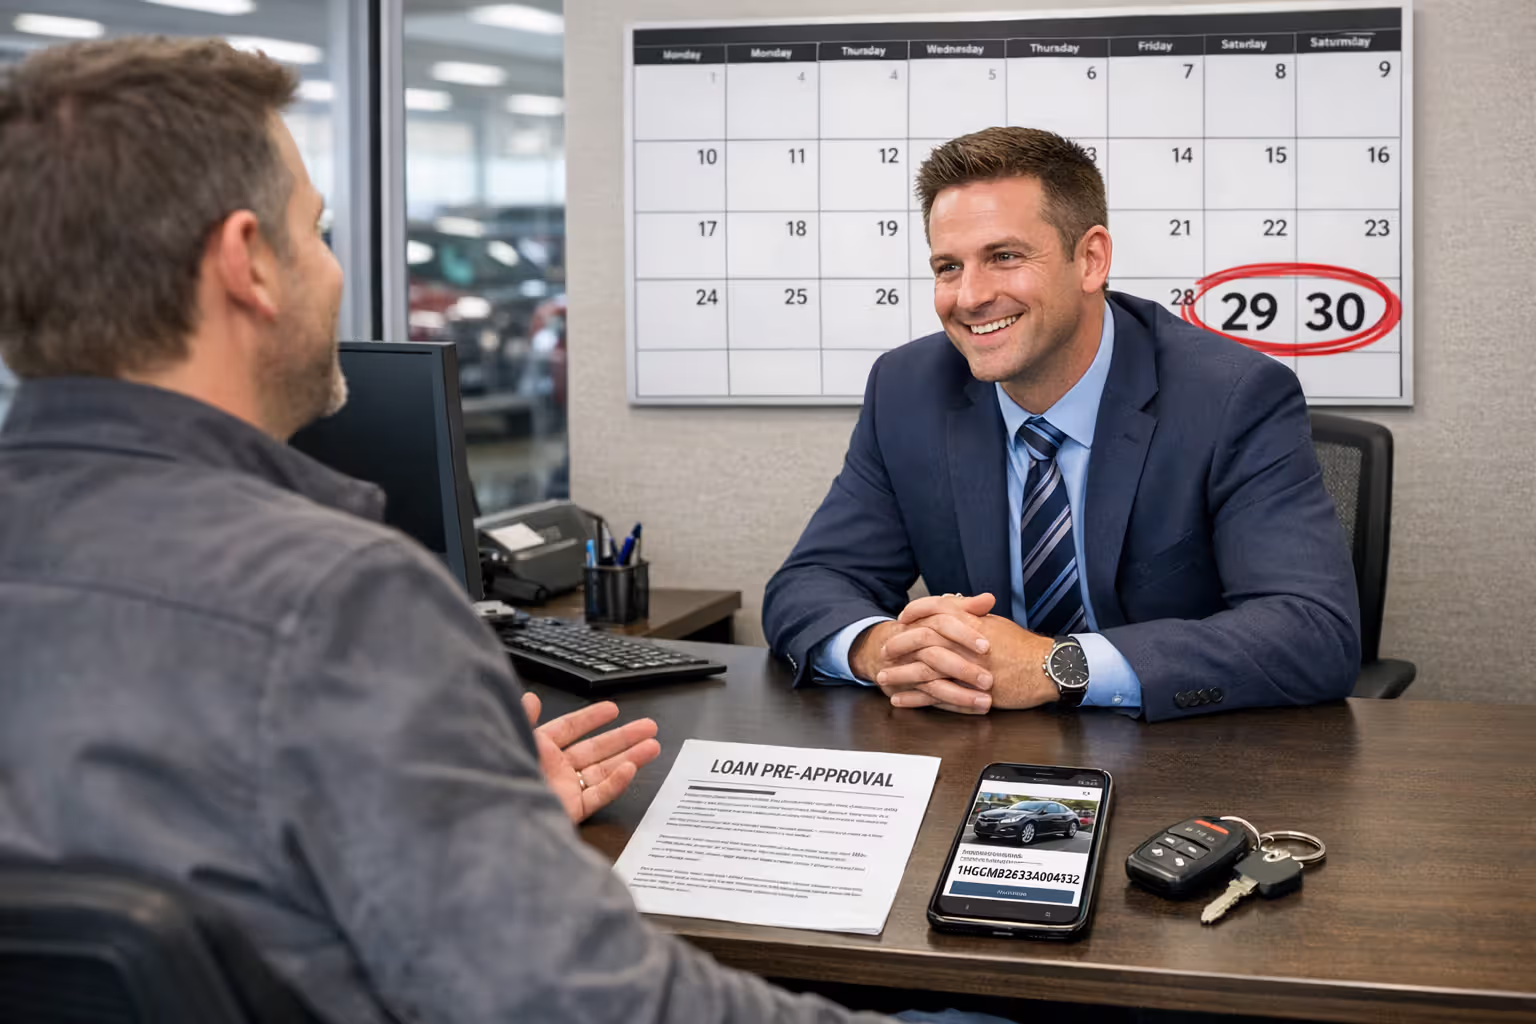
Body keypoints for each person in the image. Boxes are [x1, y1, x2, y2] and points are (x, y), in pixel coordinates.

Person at [0, 38, 1001, 1024]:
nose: (337, 269)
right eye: (318, 231)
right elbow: (591, 1003)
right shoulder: (338, 601)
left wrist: (450, 808)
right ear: (247, 265)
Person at [763, 127, 1361, 723]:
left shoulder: (1231, 396)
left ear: (1091, 259)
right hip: (978, 748)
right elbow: (813, 581)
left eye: (1004, 257)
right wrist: (885, 652)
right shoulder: (908, 389)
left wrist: (1055, 666)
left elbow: (1312, 631)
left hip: (1185, 758)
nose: (969, 296)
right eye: (948, 266)